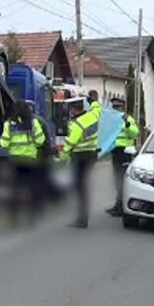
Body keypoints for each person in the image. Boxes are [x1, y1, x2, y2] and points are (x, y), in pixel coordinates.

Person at [0, 100, 47, 225]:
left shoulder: (8, 124)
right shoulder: (33, 123)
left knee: (15, 189)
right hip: (30, 160)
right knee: (31, 188)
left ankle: (13, 218)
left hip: (15, 160)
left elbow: (4, 143)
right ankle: (31, 216)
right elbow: (40, 141)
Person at [59, 94, 101, 227]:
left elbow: (70, 144)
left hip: (80, 157)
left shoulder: (77, 124)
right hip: (92, 155)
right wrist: (92, 101)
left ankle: (82, 219)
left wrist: (61, 159)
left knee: (80, 188)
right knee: (84, 185)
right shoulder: (93, 116)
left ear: (72, 109)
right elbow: (97, 108)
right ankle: (82, 217)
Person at [106, 96, 139, 216]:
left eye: (118, 107)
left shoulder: (128, 119)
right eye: (114, 107)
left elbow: (135, 133)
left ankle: (121, 207)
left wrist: (127, 123)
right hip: (115, 151)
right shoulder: (111, 119)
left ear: (123, 107)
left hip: (125, 152)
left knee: (122, 180)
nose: (116, 109)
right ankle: (118, 205)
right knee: (117, 180)